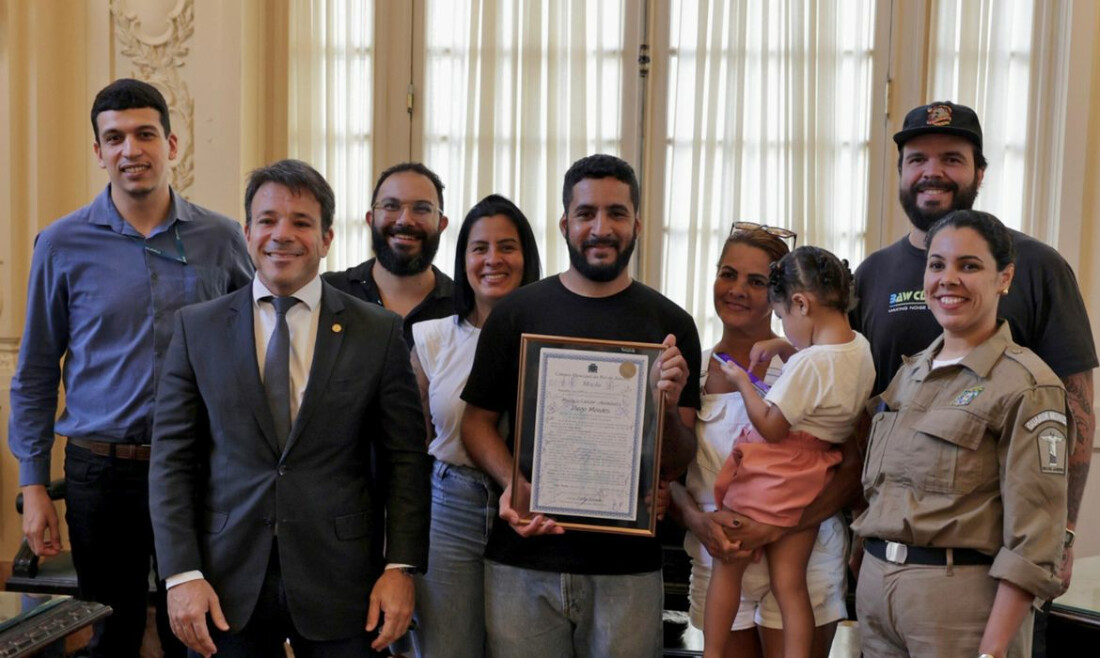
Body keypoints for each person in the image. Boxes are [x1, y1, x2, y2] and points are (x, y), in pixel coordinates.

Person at [7, 78, 253, 657]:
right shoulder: (62, 244)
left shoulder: (220, 239)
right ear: (98, 152)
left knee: (198, 630)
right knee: (111, 633)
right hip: (101, 472)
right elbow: (38, 369)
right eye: (113, 138)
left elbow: (256, 340)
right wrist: (34, 483)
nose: (130, 150)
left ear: (171, 143)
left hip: (202, 466)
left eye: (144, 134)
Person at [149, 159, 431, 657]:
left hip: (344, 582)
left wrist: (400, 568)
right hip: (223, 580)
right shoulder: (198, 329)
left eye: (301, 222)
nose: (283, 234)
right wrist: (181, 573)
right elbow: (171, 461)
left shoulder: (378, 331)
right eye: (268, 220)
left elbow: (405, 460)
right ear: (247, 232)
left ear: (326, 239)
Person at [850, 102, 1095, 608]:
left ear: (979, 172)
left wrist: (1064, 533)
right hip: (888, 559)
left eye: (951, 158)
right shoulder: (873, 274)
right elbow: (861, 414)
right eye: (917, 159)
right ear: (900, 173)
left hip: (989, 565)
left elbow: (1077, 412)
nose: (932, 172)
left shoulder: (1037, 267)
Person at [460, 153, 701, 657]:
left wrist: (671, 401)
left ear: (637, 223)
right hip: (523, 560)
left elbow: (677, 461)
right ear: (565, 223)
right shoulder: (516, 314)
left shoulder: (671, 325)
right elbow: (476, 425)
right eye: (587, 213)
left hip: (627, 570)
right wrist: (516, 485)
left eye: (616, 213)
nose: (601, 228)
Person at [852, 209, 1069, 657]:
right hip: (877, 597)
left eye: (968, 266)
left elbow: (1034, 540)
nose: (948, 279)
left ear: (1004, 278)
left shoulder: (1026, 383)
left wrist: (992, 652)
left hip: (958, 603)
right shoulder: (909, 374)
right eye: (937, 265)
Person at [669, 226, 852, 658]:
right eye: (727, 274)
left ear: (780, 293)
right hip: (720, 554)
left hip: (801, 557)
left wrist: (778, 525)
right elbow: (668, 475)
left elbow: (852, 470)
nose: (736, 290)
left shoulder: (812, 364)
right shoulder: (689, 371)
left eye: (755, 281)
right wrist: (698, 521)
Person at [408, 194, 542, 658]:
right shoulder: (432, 338)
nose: (492, 260)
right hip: (451, 507)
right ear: (462, 258)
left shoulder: (558, 339)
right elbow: (412, 445)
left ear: (527, 257)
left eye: (507, 247)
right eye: (479, 248)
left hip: (537, 513)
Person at [324, 161, 454, 346]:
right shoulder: (327, 293)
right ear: (371, 219)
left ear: (442, 224)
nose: (405, 220)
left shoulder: (465, 308)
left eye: (422, 208)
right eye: (391, 206)